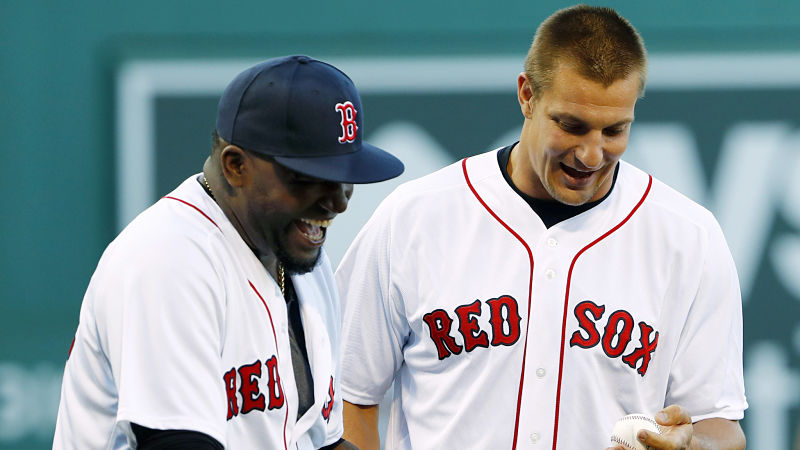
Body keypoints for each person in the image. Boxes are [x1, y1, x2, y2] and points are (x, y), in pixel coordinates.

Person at [335, 5, 747, 450]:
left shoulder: (689, 236)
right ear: (527, 95)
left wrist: (693, 446)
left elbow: (719, 424)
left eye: (614, 130)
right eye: (572, 125)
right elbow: (345, 392)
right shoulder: (414, 217)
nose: (591, 155)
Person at [54, 55, 403, 449]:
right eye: (312, 179)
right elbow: (176, 443)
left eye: (344, 178)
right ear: (236, 165)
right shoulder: (168, 260)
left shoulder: (302, 261)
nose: (338, 202)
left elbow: (318, 442)